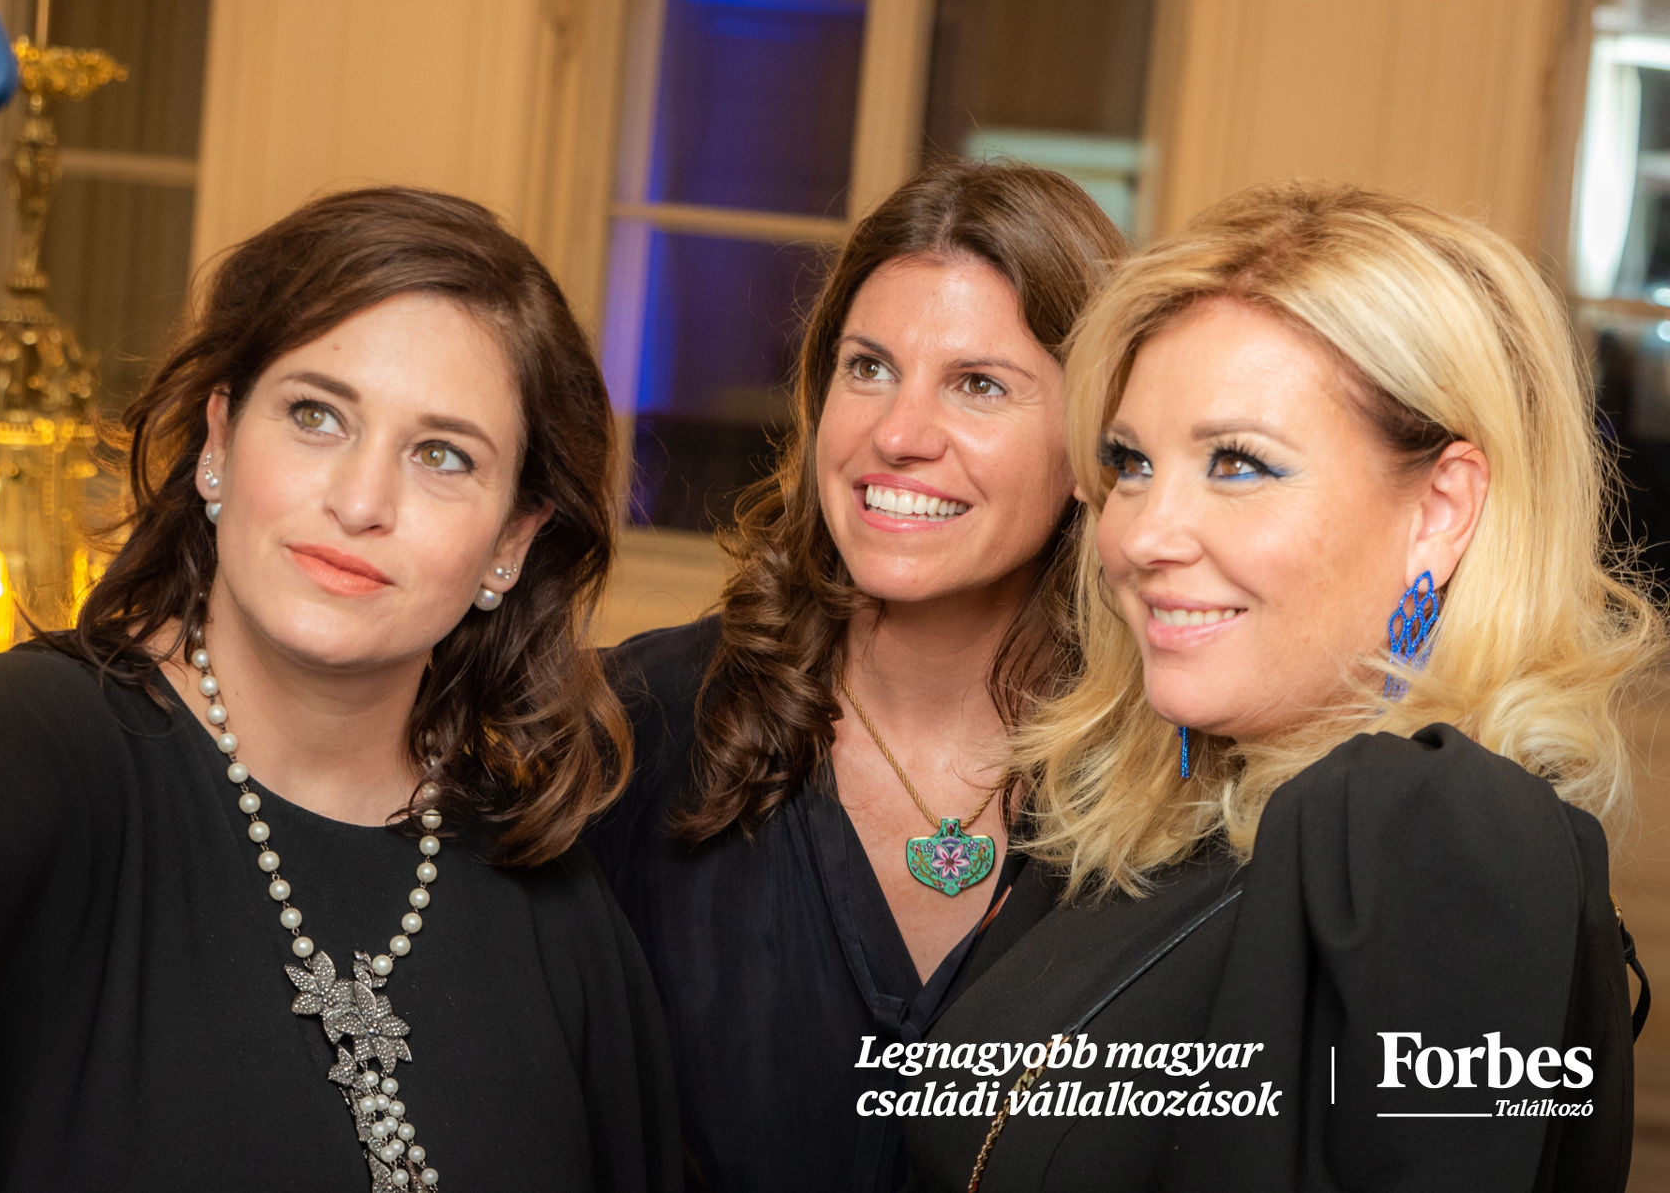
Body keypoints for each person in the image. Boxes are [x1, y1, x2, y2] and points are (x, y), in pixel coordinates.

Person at [0, 48, 680, 1191]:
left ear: (512, 542)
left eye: (443, 455)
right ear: (219, 442)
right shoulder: (12, 757)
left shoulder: (553, 911)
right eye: (317, 415)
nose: (362, 501)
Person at [903, 180, 1655, 1191]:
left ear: (1441, 507)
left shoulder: (1435, 830)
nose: (1144, 535)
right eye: (1132, 463)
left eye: (1240, 464)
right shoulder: (1153, 817)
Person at [587, 160, 1126, 1191]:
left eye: (978, 384)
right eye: (868, 367)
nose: (898, 435)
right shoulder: (633, 726)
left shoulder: (1173, 784)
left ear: (1092, 444)